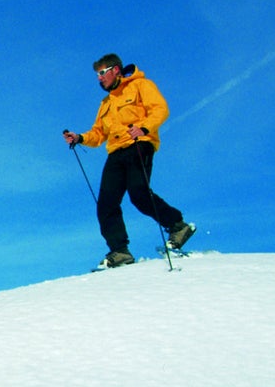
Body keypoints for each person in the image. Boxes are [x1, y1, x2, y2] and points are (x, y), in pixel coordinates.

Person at [63, 54, 196, 269]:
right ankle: (120, 251)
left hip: (138, 144)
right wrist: (80, 138)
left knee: (139, 194)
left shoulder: (140, 86)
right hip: (116, 153)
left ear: (116, 70)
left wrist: (144, 127)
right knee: (106, 204)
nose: (99, 78)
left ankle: (178, 226)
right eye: (97, 75)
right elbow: (98, 133)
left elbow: (160, 109)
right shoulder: (106, 102)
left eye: (102, 73)